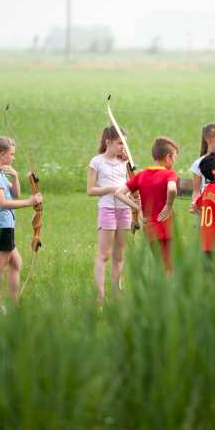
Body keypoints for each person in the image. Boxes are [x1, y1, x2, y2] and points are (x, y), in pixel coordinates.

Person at [0, 137, 42, 312]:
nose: (13, 158)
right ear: (2, 154)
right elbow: (2, 203)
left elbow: (14, 194)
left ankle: (14, 306)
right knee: (0, 268)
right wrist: (30, 202)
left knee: (16, 264)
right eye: (12, 154)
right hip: (1, 228)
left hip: (4, 227)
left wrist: (14, 176)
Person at [115, 137, 179, 272]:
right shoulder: (169, 174)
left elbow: (119, 193)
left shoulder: (141, 175)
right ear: (168, 157)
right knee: (170, 267)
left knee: (161, 264)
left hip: (150, 228)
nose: (175, 161)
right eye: (175, 157)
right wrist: (168, 205)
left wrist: (136, 207)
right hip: (166, 226)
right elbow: (172, 188)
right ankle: (168, 291)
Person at [87, 126, 136, 301]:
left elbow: (132, 185)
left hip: (124, 210)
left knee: (119, 254)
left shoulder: (125, 162)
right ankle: (100, 296)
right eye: (120, 143)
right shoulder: (97, 162)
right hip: (107, 209)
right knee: (104, 254)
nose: (123, 147)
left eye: (125, 144)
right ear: (108, 143)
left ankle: (117, 294)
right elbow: (90, 190)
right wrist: (109, 189)